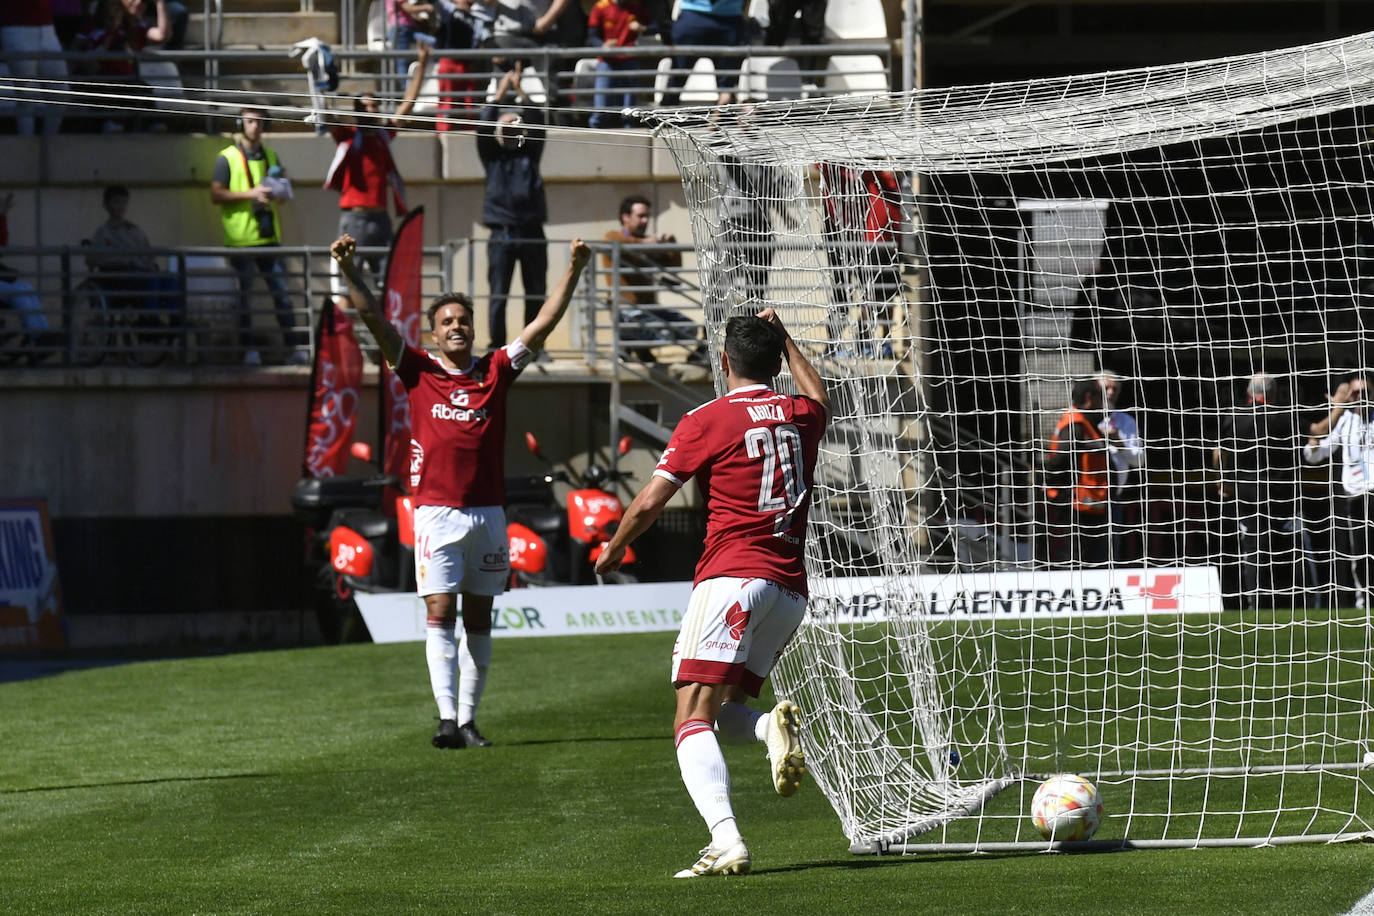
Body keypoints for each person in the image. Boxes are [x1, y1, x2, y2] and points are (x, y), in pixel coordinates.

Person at [330, 232, 592, 749]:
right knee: (439, 613)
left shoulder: (495, 369)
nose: (456, 326)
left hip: (489, 515)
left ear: (472, 329)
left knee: (479, 617)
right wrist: (350, 271)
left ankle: (469, 721)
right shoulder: (418, 370)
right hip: (436, 515)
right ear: (432, 334)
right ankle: (446, 719)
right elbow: (375, 322)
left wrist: (575, 268)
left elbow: (544, 324)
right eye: (446, 321)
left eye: (462, 320)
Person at [595, 309, 829, 877]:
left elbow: (651, 500)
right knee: (725, 707)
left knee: (689, 716)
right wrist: (787, 340)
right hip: (789, 591)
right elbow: (818, 393)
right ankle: (768, 728)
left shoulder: (707, 420)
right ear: (777, 362)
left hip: (732, 579)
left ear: (724, 361)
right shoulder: (800, 414)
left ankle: (726, 840)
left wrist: (616, 545)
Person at [322, 42, 430, 292]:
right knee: (347, 284)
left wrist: (422, 65)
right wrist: (321, 79)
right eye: (365, 107)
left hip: (381, 219)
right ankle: (348, 330)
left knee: (387, 284)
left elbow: (408, 104)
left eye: (374, 106)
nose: (372, 110)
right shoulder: (347, 137)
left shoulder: (383, 136)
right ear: (358, 113)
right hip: (354, 218)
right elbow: (326, 115)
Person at [210, 106, 307, 366]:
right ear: (240, 123)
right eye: (251, 121)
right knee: (244, 299)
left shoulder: (271, 155)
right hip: (240, 240)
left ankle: (293, 349)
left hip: (268, 238)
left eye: (260, 122)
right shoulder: (227, 157)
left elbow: (280, 190)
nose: (256, 126)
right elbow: (216, 194)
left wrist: (279, 193)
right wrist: (251, 194)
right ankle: (248, 351)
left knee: (282, 295)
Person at [1215, 373, 1310, 610]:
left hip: (1247, 491)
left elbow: (1219, 453)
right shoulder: (1286, 416)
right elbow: (1315, 431)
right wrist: (1338, 406)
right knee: (1285, 545)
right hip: (1282, 491)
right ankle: (1290, 601)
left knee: (1254, 548)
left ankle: (1257, 603)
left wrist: (1223, 480)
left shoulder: (1234, 416)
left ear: (1249, 392)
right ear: (1274, 393)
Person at [476, 64, 548, 353]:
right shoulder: (492, 157)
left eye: (515, 127)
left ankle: (532, 346)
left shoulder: (530, 154)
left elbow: (538, 121)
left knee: (535, 293)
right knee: (499, 294)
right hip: (501, 233)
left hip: (532, 231)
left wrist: (520, 93)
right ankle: (497, 346)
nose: (510, 131)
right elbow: (482, 129)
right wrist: (499, 96)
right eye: (505, 127)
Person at [600, 194, 705, 364]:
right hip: (627, 311)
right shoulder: (615, 236)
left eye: (647, 216)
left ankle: (635, 346)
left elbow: (673, 267)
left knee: (689, 329)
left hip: (651, 310)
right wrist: (646, 243)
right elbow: (610, 242)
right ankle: (631, 343)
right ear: (625, 217)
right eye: (640, 216)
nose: (645, 221)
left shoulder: (647, 244)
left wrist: (672, 245)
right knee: (662, 334)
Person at [817, 162, 903, 357]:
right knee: (848, 294)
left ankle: (881, 342)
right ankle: (839, 343)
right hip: (862, 238)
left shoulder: (891, 177)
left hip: (887, 240)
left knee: (883, 297)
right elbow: (819, 164)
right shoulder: (870, 173)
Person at [1304, 376, 1374, 608]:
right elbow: (1321, 450)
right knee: (1361, 552)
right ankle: (1363, 600)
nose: (1361, 398)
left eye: (1366, 392)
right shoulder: (1346, 421)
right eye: (1355, 393)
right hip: (1356, 496)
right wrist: (1312, 446)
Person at [85, 184, 181, 328]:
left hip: (141, 273)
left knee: (170, 279)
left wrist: (151, 264)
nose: (120, 206)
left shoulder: (135, 231)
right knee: (152, 278)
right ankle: (149, 319)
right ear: (106, 205)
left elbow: (148, 253)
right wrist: (123, 260)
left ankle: (176, 321)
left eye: (123, 202)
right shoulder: (103, 233)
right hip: (120, 277)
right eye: (116, 202)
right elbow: (93, 259)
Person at [1043, 378, 1111, 567]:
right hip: (1075, 500)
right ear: (1089, 397)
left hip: (1088, 500)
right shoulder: (1076, 424)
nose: (1103, 402)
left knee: (1086, 552)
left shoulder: (1086, 423)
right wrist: (1049, 480)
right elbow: (1062, 457)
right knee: (1077, 552)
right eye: (1100, 397)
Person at [1, 0, 69, 136]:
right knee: (26, 97)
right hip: (17, 28)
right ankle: (26, 148)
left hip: (46, 28)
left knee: (61, 94)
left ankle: (49, 145)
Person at [1098, 371, 1145, 561]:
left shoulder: (1126, 422)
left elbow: (1139, 459)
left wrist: (1118, 443)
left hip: (1113, 498)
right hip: (1083, 497)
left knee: (1110, 551)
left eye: (1114, 389)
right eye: (1106, 388)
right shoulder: (1082, 419)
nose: (1110, 392)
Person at [663, 0, 744, 107]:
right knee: (677, 79)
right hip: (692, 17)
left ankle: (722, 119)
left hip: (730, 20)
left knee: (727, 88)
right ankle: (665, 119)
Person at [586, 0, 649, 129]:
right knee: (601, 107)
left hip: (629, 60)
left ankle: (629, 132)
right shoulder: (601, 6)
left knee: (629, 110)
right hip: (607, 61)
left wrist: (642, 28)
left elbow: (655, 25)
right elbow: (592, 36)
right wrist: (602, 45)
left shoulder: (635, 6)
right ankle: (595, 132)